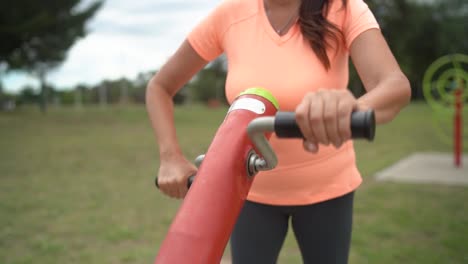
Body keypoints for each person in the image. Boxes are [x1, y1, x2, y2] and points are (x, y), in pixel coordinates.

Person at [146, 0, 411, 263]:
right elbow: (159, 87)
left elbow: (394, 86)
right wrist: (170, 157)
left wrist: (351, 108)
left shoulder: (344, 8)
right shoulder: (230, 14)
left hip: (328, 188)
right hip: (248, 191)